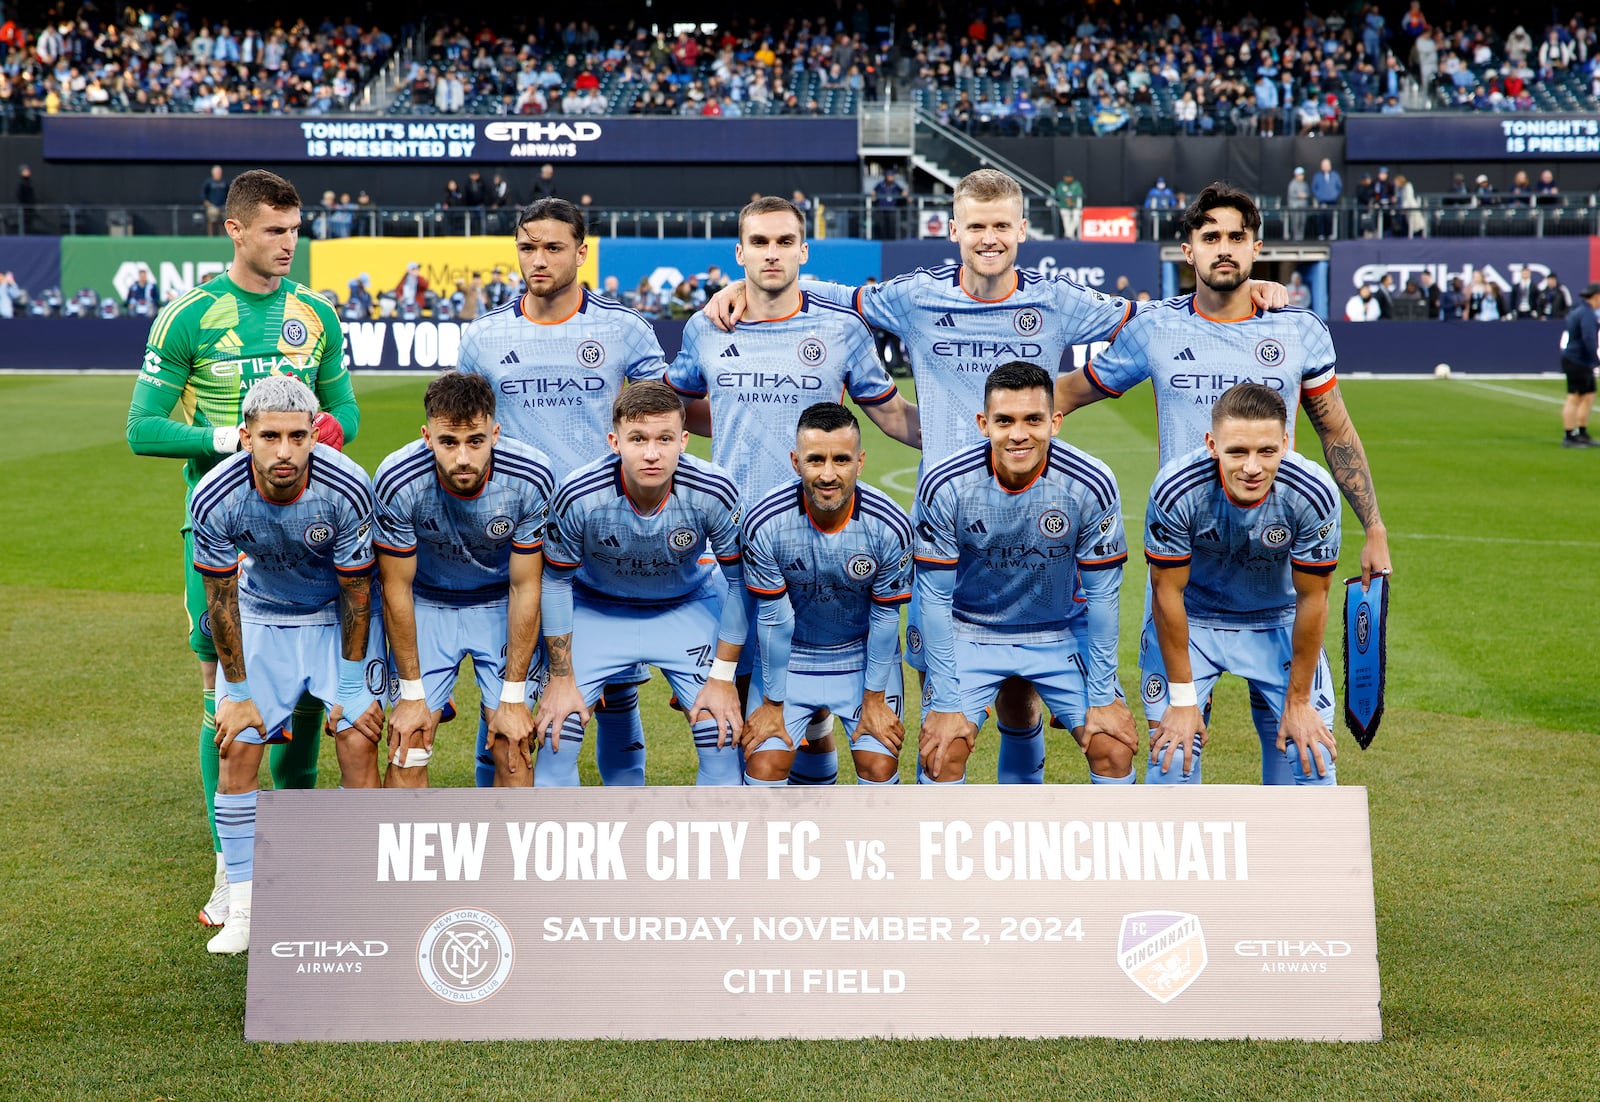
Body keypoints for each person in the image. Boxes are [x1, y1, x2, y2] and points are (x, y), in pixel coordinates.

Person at [707, 170, 1286, 777]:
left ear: (1023, 230)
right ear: (954, 230)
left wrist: (1249, 293)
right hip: (946, 520)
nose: (990, 238)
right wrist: (736, 291)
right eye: (977, 226)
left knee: (1021, 692)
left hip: (1037, 519)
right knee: (942, 704)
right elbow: (831, 293)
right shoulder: (917, 296)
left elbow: (1154, 319)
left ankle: (1021, 803)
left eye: (1002, 226)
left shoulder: (1057, 299)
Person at [1056, 183, 1391, 775]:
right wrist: (1000, 423)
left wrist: (1374, 525)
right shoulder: (1155, 328)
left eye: (1237, 236)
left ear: (1256, 246)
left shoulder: (1299, 331)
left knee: (1307, 763)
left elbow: (1337, 431)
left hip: (1280, 594)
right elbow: (1069, 393)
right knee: (1170, 770)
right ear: (1188, 251)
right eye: (1210, 237)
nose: (1224, 248)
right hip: (1184, 583)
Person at [125, 169, 356, 930]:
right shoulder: (190, 317)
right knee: (228, 698)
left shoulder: (315, 313)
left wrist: (319, 435)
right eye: (273, 230)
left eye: (294, 231)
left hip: (310, 530)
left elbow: (345, 411)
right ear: (235, 229)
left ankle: (298, 849)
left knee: (315, 696)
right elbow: (143, 428)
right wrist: (230, 439)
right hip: (223, 534)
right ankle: (233, 867)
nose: (288, 244)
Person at [667, 195, 920, 784]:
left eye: (785, 242)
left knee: (812, 695)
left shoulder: (841, 330)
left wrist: (973, 440)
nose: (772, 253)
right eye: (760, 243)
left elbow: (891, 416)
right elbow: (672, 408)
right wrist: (729, 413)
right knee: (745, 713)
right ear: (739, 253)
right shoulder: (706, 327)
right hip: (732, 544)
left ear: (804, 251)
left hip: (825, 539)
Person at [458, 197, 669, 787]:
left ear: (581, 251)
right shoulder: (483, 337)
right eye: (528, 247)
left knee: (616, 692)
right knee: (508, 686)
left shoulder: (625, 330)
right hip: (514, 539)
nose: (539, 259)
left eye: (553, 247)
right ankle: (501, 825)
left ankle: (621, 819)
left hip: (603, 537)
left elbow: (655, 425)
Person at [190, 375, 383, 953]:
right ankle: (245, 909)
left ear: (315, 436)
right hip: (262, 618)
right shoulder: (215, 495)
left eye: (297, 436)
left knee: (357, 738)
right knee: (239, 746)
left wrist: (352, 685)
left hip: (333, 619)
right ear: (245, 436)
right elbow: (221, 602)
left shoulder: (347, 487)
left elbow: (356, 592)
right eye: (270, 436)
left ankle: (361, 898)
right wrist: (240, 691)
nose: (283, 451)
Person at [912, 361, 1134, 785]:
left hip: (1060, 630)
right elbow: (935, 600)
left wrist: (1103, 697)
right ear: (983, 424)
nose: (1018, 434)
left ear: (1055, 422)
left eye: (1033, 419)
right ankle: (939, 853)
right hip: (971, 631)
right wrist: (942, 701)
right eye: (1004, 421)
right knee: (941, 754)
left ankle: (1114, 852)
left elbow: (1104, 597)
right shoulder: (945, 485)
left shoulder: (1090, 483)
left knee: (1113, 746)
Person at [532, 383, 747, 785]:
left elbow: (738, 583)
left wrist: (721, 677)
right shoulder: (579, 495)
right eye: (638, 439)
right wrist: (560, 679)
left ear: (683, 441)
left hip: (685, 606)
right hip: (597, 608)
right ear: (615, 442)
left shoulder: (714, 490)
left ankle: (716, 849)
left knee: (720, 737)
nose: (652, 453)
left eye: (664, 439)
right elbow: (556, 582)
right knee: (556, 735)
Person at [1142, 382, 1341, 786]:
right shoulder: (1176, 488)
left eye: (1266, 451)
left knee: (1311, 754)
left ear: (1285, 443)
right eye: (1237, 451)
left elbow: (1312, 597)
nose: (1252, 467)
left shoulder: (1313, 492)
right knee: (1172, 756)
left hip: (1277, 620)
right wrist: (1182, 701)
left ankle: (1294, 850)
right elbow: (1167, 593)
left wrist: (1299, 701)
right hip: (1193, 620)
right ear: (1212, 444)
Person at [374, 372, 555, 788]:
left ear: (495, 432)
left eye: (475, 441)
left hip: (500, 603)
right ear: (426, 436)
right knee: (408, 742)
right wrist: (412, 694)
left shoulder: (531, 476)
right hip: (426, 603)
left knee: (514, 747)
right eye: (448, 442)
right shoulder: (397, 480)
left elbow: (526, 586)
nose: (462, 458)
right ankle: (404, 854)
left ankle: (508, 855)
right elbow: (395, 587)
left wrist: (512, 699)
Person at [740, 402, 913, 786]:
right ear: (795, 461)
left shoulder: (890, 526)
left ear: (860, 462)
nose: (829, 474)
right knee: (763, 765)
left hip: (858, 653)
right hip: (793, 654)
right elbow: (773, 619)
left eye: (842, 459)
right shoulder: (765, 522)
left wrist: (874, 701)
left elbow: (886, 619)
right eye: (815, 460)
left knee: (878, 765)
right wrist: (771, 704)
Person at [1560, 282, 1600, 447]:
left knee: (1589, 394)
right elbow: (1588, 339)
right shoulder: (1587, 315)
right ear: (1596, 297)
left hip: (1578, 359)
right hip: (1578, 360)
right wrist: (1594, 359)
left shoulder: (1578, 311)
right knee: (1575, 397)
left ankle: (1582, 432)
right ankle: (1569, 435)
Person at [872, 167, 907, 240]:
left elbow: (903, 191)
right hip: (882, 208)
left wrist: (906, 196)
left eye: (892, 176)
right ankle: (882, 239)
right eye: (889, 176)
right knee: (882, 225)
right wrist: (874, 197)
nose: (890, 177)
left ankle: (892, 239)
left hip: (892, 208)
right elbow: (873, 191)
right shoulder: (881, 184)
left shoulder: (895, 185)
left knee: (892, 225)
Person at [1311, 158, 1342, 240]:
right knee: (1321, 217)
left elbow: (1339, 187)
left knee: (1331, 218)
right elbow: (1314, 188)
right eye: (1324, 165)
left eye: (1327, 165)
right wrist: (1320, 196)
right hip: (1322, 201)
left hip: (1332, 201)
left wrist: (1334, 195)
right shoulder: (1317, 176)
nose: (1326, 167)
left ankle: (1331, 234)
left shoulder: (1335, 175)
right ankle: (1321, 234)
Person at [201, 164, 229, 237]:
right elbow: (204, 192)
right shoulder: (209, 182)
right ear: (213, 173)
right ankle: (211, 236)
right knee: (212, 220)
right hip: (212, 205)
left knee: (222, 221)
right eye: (217, 172)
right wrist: (205, 201)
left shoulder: (224, 182)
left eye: (220, 172)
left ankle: (221, 236)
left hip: (222, 205)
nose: (218, 174)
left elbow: (228, 192)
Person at [1054, 171, 1084, 238]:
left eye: (1069, 177)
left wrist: (1072, 202)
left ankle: (1068, 235)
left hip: (1075, 206)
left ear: (1072, 178)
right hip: (1064, 206)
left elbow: (1080, 194)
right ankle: (1071, 238)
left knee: (1076, 219)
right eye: (1066, 177)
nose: (1068, 179)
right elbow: (1059, 195)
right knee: (1066, 223)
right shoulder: (1061, 185)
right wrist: (1067, 200)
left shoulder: (1077, 184)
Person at [1286, 166, 1311, 241]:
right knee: (1296, 222)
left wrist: (1305, 195)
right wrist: (1299, 195)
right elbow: (1291, 194)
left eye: (1302, 174)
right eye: (1300, 174)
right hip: (1295, 207)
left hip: (1303, 207)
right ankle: (1296, 238)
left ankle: (1301, 237)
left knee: (1302, 222)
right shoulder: (1292, 184)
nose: (1301, 176)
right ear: (1296, 175)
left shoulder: (1305, 184)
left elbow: (1308, 193)